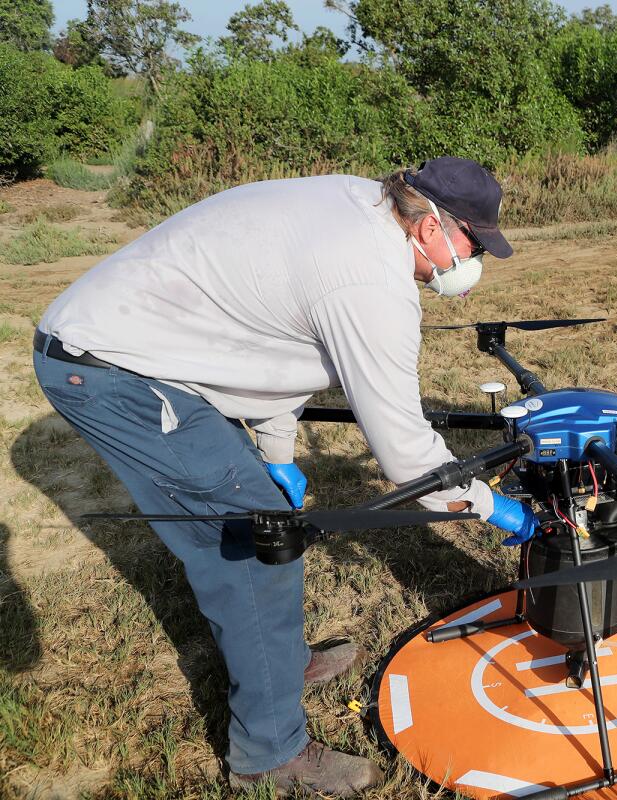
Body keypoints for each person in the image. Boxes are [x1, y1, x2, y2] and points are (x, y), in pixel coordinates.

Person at [33, 157, 541, 795]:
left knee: (260, 510)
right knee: (256, 548)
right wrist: (493, 507)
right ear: (430, 226)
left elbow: (278, 343)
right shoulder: (368, 281)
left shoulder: (363, 209)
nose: (474, 264)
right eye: (474, 244)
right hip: (113, 368)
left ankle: (283, 664)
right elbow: (409, 456)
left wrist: (276, 454)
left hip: (137, 348)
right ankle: (268, 754)